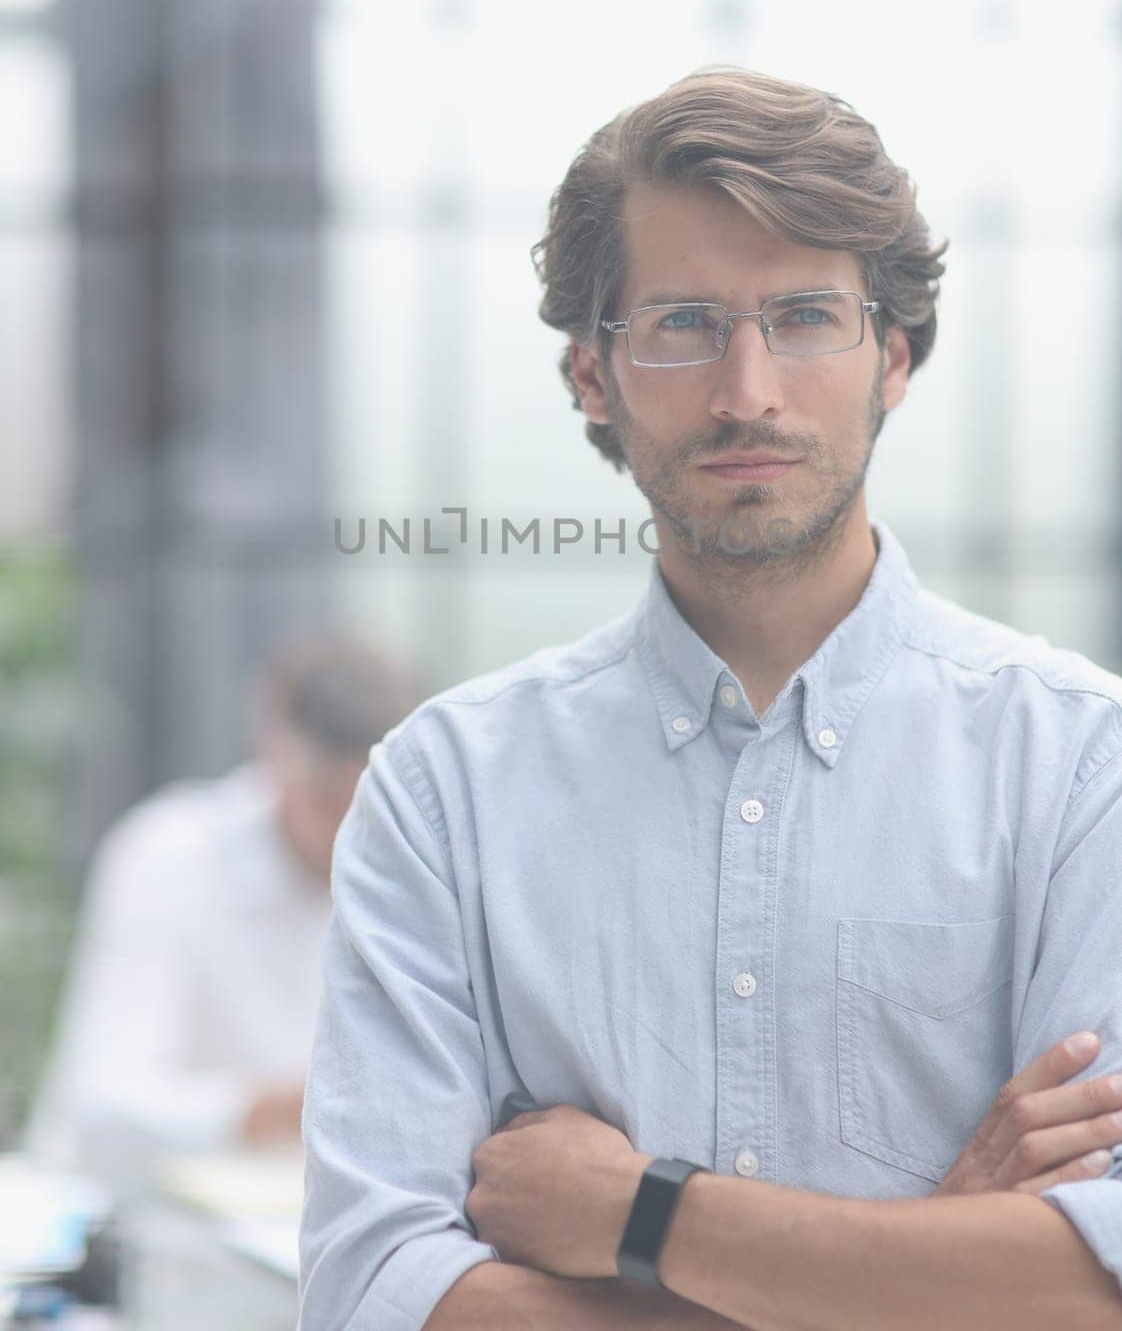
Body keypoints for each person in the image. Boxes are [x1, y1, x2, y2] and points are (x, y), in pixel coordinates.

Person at [298, 67, 1122, 1331]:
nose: (749, 391)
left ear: (893, 356)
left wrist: (641, 1216)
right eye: (684, 323)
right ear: (591, 376)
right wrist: (935, 1264)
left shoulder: (1079, 765)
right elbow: (373, 1291)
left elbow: (1092, 1289)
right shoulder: (444, 791)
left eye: (803, 317)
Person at [25, 635, 419, 1189]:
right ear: (276, 752)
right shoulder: (171, 855)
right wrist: (274, 1109)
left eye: (371, 810)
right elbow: (99, 1109)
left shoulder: (415, 883)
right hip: (150, 1231)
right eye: (331, 803)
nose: (348, 834)